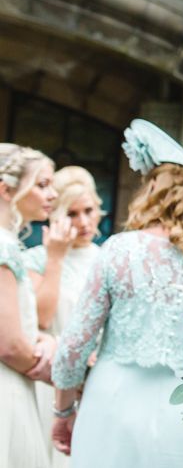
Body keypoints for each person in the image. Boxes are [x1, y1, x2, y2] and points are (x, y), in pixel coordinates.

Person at [50, 119, 183, 467]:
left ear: (154, 192)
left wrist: (63, 410)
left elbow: (75, 344)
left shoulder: (119, 250)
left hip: (112, 403)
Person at [24, 166, 104, 467]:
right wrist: (55, 258)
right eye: (72, 214)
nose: (84, 222)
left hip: (96, 384)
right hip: (51, 385)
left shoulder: (106, 256)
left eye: (89, 210)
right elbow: (41, 320)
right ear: (54, 215)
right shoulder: (34, 259)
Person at [0, 144, 59, 468]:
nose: (52, 194)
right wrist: (58, 367)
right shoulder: (3, 248)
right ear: (6, 190)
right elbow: (9, 345)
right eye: (41, 184)